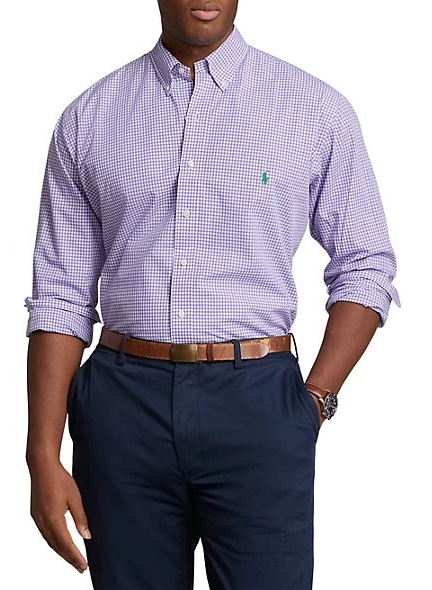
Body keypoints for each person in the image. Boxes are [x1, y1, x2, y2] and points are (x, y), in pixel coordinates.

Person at [24, 1, 401, 588]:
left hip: (260, 402)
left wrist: (315, 399)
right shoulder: (91, 117)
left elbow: (366, 262)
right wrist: (41, 454)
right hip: (123, 409)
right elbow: (60, 294)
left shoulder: (314, 108)